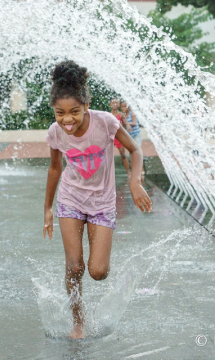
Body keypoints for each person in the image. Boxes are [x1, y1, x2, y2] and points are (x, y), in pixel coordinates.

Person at [43, 60, 152, 339]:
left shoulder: (105, 122)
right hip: (70, 200)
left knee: (98, 272)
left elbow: (136, 150)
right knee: (75, 266)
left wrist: (135, 181)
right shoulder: (55, 132)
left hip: (103, 203)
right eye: (60, 113)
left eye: (74, 112)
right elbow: (55, 168)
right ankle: (78, 321)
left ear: (86, 106)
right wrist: (47, 208)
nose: (67, 120)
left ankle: (80, 269)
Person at [120, 101, 145, 177]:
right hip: (130, 137)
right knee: (132, 153)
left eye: (125, 106)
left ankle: (142, 170)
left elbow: (134, 123)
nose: (123, 108)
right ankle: (135, 170)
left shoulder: (132, 114)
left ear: (128, 107)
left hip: (136, 135)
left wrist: (126, 123)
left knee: (138, 152)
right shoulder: (123, 115)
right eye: (122, 107)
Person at [110, 98, 131, 176]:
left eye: (116, 103)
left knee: (123, 155)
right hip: (111, 137)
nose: (114, 104)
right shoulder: (108, 115)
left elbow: (125, 122)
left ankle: (128, 172)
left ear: (119, 105)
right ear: (110, 105)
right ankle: (108, 173)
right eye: (113, 103)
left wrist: (128, 126)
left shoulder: (121, 114)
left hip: (119, 137)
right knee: (108, 155)